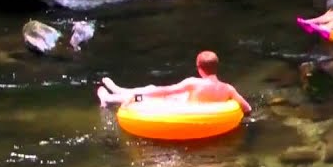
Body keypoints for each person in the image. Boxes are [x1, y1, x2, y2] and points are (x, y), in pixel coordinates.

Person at [96, 50, 253, 113]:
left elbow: (166, 91)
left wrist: (150, 92)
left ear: (199, 68)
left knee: (147, 94)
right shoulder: (228, 89)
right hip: (198, 109)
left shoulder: (193, 82)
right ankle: (118, 89)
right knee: (162, 93)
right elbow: (247, 109)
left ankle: (110, 97)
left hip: (184, 112)